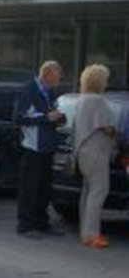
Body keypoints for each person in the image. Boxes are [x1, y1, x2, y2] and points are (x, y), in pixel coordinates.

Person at [15, 61, 66, 238]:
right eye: (57, 77)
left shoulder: (49, 91)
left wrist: (58, 117)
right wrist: (46, 117)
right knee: (30, 186)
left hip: (47, 144)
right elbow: (20, 117)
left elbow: (51, 111)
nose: (59, 81)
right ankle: (25, 224)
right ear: (47, 75)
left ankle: (41, 222)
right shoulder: (28, 90)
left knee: (44, 187)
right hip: (33, 145)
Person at [72, 64, 118, 249]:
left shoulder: (81, 100)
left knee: (87, 193)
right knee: (99, 192)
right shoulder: (97, 101)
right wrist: (117, 130)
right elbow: (107, 128)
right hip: (97, 151)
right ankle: (92, 235)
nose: (107, 82)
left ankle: (86, 232)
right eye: (105, 78)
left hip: (83, 151)